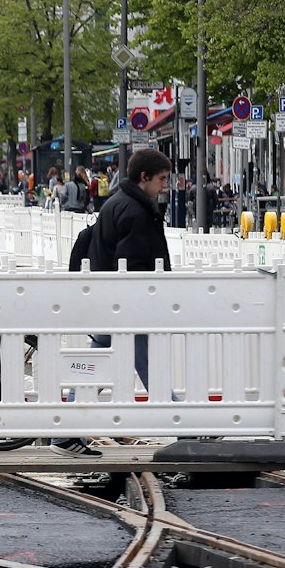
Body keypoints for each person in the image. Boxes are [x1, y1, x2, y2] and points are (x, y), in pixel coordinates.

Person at [68, 149, 171, 451]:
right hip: (126, 304)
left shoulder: (117, 202)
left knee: (99, 362)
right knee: (148, 365)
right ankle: (189, 425)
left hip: (110, 300)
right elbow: (133, 263)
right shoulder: (135, 211)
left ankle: (65, 428)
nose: (165, 185)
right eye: (162, 179)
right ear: (144, 178)